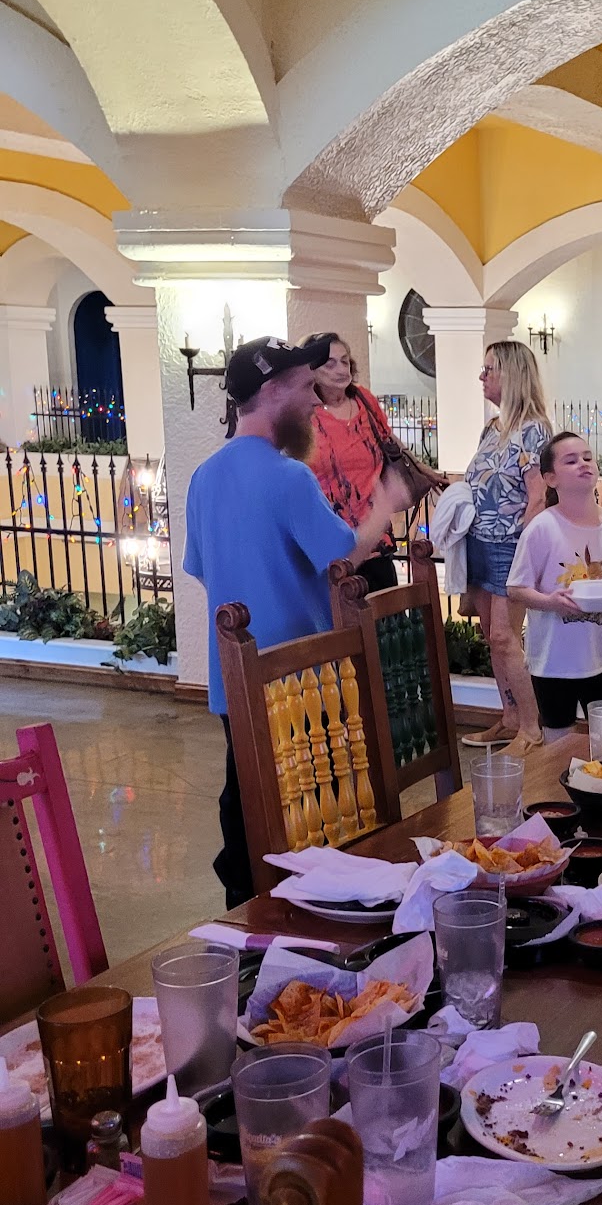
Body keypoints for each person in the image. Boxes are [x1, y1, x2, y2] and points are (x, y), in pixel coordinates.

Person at [183, 335, 410, 908]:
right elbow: (341, 556)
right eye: (306, 387)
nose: (314, 402)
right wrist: (386, 503)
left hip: (234, 679)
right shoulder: (289, 477)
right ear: (272, 390)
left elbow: (202, 569)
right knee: (313, 805)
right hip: (300, 678)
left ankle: (245, 904)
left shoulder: (203, 477)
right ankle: (302, 909)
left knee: (245, 793)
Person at [506, 431, 602, 739]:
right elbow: (516, 589)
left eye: (588, 458)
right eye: (571, 461)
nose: (584, 464)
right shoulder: (541, 529)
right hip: (552, 663)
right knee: (557, 746)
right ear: (550, 478)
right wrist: (551, 602)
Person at [462, 340, 551, 754]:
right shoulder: (492, 428)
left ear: (512, 375)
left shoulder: (533, 429)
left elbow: (538, 497)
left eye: (490, 369)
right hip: (479, 541)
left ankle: (530, 727)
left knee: (504, 636)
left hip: (509, 544)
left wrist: (525, 553)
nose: (482, 376)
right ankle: (510, 716)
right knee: (490, 635)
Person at [304, 331, 401, 592]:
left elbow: (389, 441)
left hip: (375, 538)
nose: (340, 369)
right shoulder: (304, 414)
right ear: (311, 370)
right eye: (330, 364)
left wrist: (423, 472)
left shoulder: (363, 400)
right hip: (331, 543)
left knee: (385, 612)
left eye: (345, 361)